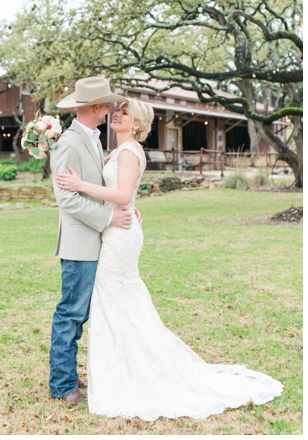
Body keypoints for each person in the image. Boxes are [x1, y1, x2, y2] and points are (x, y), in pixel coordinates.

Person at [55, 98, 283, 420]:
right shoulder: (120, 151)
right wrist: (126, 203)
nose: (116, 115)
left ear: (136, 125)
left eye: (124, 113)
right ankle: (122, 369)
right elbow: (124, 194)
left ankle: (136, 372)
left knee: (115, 298)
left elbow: (122, 194)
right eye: (116, 111)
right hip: (116, 229)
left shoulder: (130, 151)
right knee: (114, 301)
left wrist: (80, 185)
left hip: (120, 238)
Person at [47, 76, 133, 406]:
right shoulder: (68, 143)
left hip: (96, 242)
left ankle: (66, 372)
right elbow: (67, 200)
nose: (110, 110)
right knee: (70, 313)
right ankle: (62, 384)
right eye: (107, 105)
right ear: (95, 107)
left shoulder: (94, 140)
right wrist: (109, 218)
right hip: (79, 243)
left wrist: (124, 208)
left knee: (81, 313)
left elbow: (100, 187)